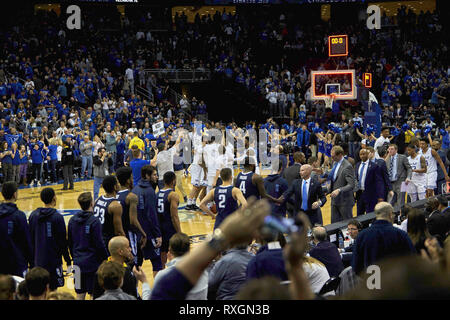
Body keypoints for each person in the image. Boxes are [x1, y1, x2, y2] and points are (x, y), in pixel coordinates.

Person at [351, 202, 416, 275]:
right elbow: (412, 261)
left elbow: (356, 267)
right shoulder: (400, 234)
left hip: (372, 283)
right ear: (390, 215)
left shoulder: (362, 236)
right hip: (395, 282)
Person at [28, 187, 71, 291]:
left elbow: (30, 240)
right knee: (53, 292)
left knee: (40, 291)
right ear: (54, 198)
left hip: (38, 261)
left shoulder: (33, 216)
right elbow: (63, 242)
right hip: (54, 262)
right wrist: (68, 260)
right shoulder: (57, 217)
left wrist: (30, 261)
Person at [67, 192, 109, 300]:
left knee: (79, 294)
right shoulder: (95, 221)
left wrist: (74, 256)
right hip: (92, 264)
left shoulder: (72, 220)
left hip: (77, 263)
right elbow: (99, 243)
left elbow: (70, 242)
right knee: (93, 294)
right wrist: (105, 258)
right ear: (92, 203)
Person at [151, 233, 208, 300]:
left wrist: (144, 283)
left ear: (169, 251)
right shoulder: (202, 270)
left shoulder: (162, 275)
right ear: (189, 250)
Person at [131, 165, 163, 276]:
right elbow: (151, 215)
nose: (157, 177)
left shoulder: (135, 188)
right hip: (149, 234)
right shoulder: (149, 191)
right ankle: (158, 292)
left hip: (137, 234)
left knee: (137, 264)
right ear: (147, 176)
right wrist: (157, 234)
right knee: (157, 264)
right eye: (154, 175)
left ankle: (135, 291)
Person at [0, 181, 32, 278]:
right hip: (17, 264)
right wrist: (32, 263)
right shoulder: (19, 216)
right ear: (15, 194)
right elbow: (27, 242)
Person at [115, 167, 147, 263]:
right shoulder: (131, 197)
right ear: (128, 180)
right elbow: (133, 221)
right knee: (134, 263)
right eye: (132, 177)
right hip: (129, 234)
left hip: (117, 236)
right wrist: (144, 234)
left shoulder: (114, 195)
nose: (133, 179)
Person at [156, 171, 181, 268]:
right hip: (169, 227)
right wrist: (179, 232)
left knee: (163, 254)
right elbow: (174, 216)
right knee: (175, 254)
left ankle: (162, 274)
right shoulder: (173, 195)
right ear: (174, 181)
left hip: (160, 227)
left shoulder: (157, 193)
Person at [93, 175, 125, 248]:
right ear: (114, 187)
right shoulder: (115, 205)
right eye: (117, 183)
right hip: (109, 241)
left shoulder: (97, 200)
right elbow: (118, 231)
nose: (119, 184)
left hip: (97, 238)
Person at [328, 146, 356, 223]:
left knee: (347, 224)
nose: (332, 158)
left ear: (340, 155)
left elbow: (351, 185)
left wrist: (339, 190)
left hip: (345, 201)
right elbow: (334, 178)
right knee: (334, 225)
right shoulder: (334, 163)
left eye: (333, 156)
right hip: (334, 200)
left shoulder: (347, 166)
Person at [355, 148, 384, 215]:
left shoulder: (374, 166)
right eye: (360, 154)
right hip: (359, 194)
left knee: (370, 214)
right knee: (359, 215)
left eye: (363, 154)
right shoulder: (357, 165)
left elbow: (378, 182)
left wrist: (380, 196)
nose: (362, 156)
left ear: (368, 155)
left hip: (371, 194)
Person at [385, 144, 412, 212]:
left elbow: (409, 168)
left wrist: (408, 177)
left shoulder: (402, 157)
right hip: (391, 183)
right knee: (390, 202)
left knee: (401, 200)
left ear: (396, 150)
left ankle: (402, 215)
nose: (390, 151)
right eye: (389, 149)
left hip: (403, 182)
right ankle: (394, 217)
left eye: (392, 149)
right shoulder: (387, 159)